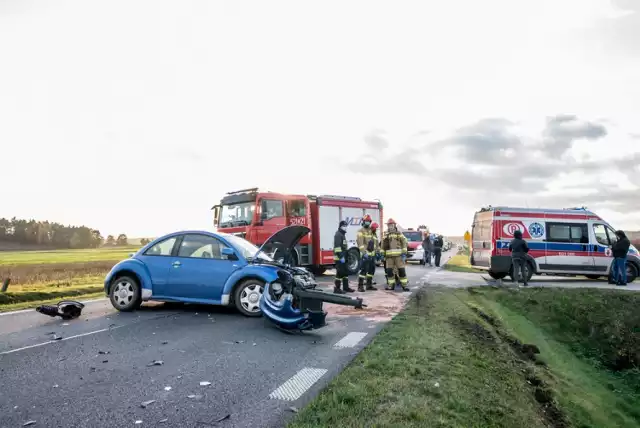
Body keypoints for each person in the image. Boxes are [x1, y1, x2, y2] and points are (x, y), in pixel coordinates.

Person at [381, 218, 410, 291]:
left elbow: (404, 242)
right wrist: (382, 253)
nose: (390, 226)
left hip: (398, 256)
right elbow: (383, 245)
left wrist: (404, 252)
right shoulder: (386, 234)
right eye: (389, 225)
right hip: (389, 257)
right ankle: (391, 286)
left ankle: (404, 285)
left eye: (391, 225)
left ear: (394, 225)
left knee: (401, 271)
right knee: (389, 272)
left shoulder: (399, 233)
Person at [356, 215, 378, 292]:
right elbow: (360, 243)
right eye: (366, 221)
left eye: (369, 221)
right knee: (363, 271)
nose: (367, 223)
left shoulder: (371, 231)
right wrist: (363, 253)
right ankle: (360, 286)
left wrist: (377, 252)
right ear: (363, 221)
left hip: (372, 255)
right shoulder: (361, 231)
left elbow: (375, 242)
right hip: (365, 255)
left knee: (371, 271)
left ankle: (369, 285)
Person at [333, 220, 355, 294]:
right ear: (340, 226)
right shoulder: (338, 235)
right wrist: (341, 257)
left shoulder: (342, 234)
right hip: (339, 258)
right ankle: (337, 289)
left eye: (346, 226)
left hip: (344, 257)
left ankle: (346, 287)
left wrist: (346, 255)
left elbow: (344, 247)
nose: (345, 228)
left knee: (345, 273)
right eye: (344, 226)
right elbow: (337, 247)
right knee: (339, 273)